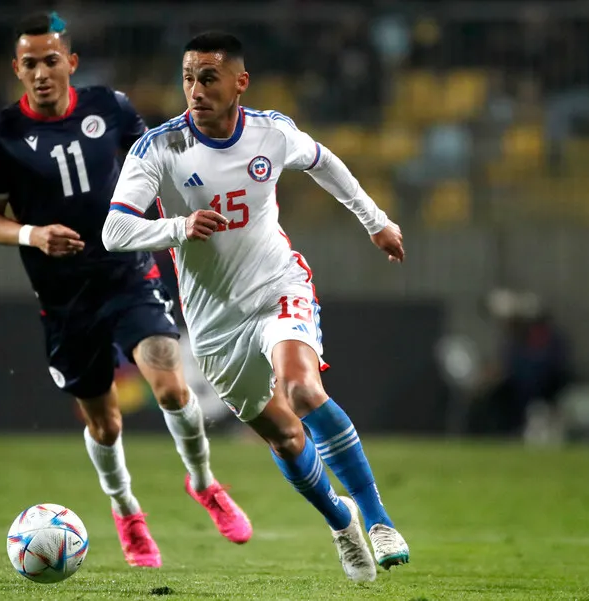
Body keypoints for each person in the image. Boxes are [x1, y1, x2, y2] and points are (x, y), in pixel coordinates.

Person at [102, 32, 410, 582]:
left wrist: (376, 221)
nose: (195, 90)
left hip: (276, 286)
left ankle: (381, 519)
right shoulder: (160, 148)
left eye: (209, 77)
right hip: (214, 324)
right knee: (285, 437)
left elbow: (325, 163)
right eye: (188, 78)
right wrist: (177, 226)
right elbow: (114, 230)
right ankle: (342, 520)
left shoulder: (271, 132)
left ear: (240, 82)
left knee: (302, 389)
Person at [0, 14, 251, 568]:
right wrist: (33, 234)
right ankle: (127, 512)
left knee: (170, 382)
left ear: (70, 62)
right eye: (30, 63)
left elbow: (158, 165)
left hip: (127, 274)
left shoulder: (112, 109)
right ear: (17, 70)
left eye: (51, 60)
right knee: (104, 422)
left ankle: (204, 482)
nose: (42, 72)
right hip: (63, 299)